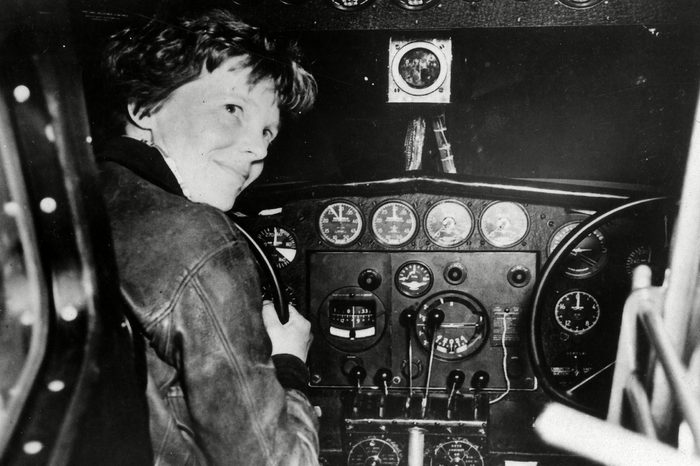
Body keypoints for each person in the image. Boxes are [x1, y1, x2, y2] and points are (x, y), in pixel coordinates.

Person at [96, 9, 319, 465]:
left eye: (267, 133)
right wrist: (289, 364)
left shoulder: (76, 202)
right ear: (144, 107)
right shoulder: (197, 233)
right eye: (232, 109)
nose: (258, 150)